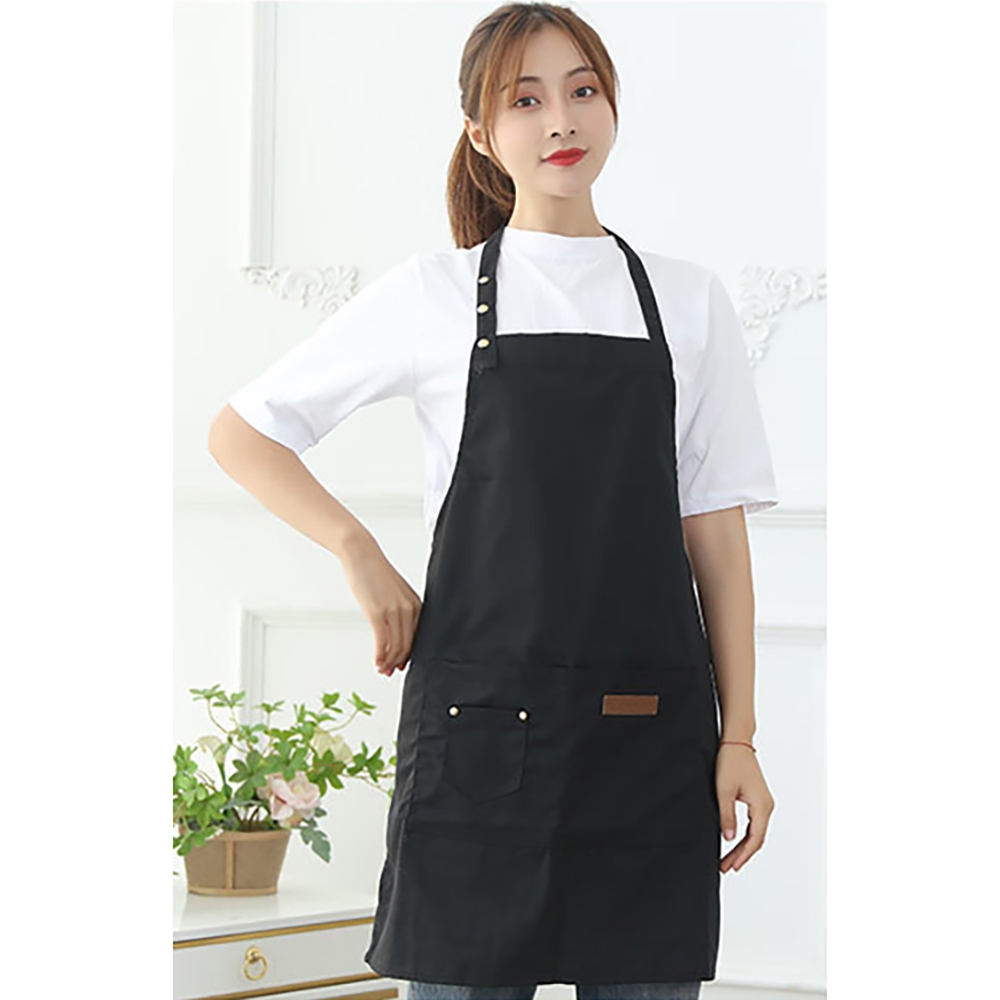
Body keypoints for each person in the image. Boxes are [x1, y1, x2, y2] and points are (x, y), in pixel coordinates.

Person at [208, 4, 778, 1000]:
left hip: (649, 741)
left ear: (611, 106)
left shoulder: (689, 302)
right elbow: (241, 433)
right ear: (480, 132)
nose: (561, 120)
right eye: (526, 99)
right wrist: (357, 551)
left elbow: (717, 540)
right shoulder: (432, 294)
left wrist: (740, 737)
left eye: (582, 90)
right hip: (479, 736)